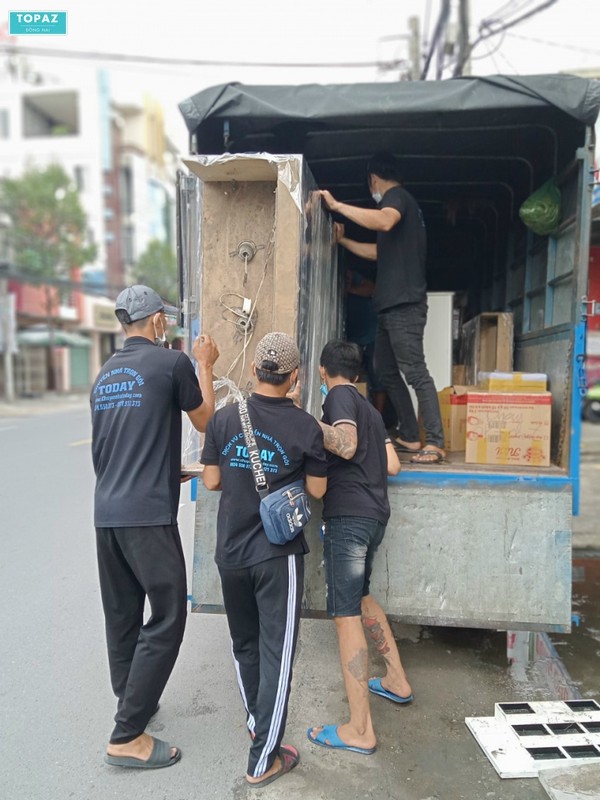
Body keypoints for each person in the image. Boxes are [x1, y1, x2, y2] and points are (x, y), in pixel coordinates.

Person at [91, 284, 219, 770]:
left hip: (108, 513)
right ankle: (126, 738)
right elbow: (205, 421)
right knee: (167, 615)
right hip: (147, 514)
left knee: (122, 616)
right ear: (159, 322)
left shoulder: (104, 375)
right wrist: (205, 363)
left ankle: (133, 702)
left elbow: (114, 446)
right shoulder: (172, 364)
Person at [201, 332, 327, 788]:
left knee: (245, 646)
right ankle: (262, 760)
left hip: (231, 553)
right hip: (278, 557)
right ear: (294, 378)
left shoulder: (222, 419)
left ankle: (262, 727)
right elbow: (316, 491)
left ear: (254, 370)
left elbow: (212, 481)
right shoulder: (306, 427)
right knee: (278, 653)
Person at [307, 339, 413, 756]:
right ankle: (396, 681)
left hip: (348, 520)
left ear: (322, 370)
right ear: (358, 372)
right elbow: (392, 465)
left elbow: (346, 445)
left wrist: (299, 423)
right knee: (363, 599)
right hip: (374, 518)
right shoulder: (370, 410)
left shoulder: (336, 398)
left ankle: (359, 730)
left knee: (345, 616)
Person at [319, 151, 446, 464]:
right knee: (385, 370)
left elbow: (385, 220)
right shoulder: (399, 212)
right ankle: (411, 436)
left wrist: (336, 207)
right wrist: (344, 242)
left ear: (373, 178)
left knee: (415, 371)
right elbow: (378, 253)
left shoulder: (397, 199)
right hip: (390, 308)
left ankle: (436, 440)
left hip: (405, 306)